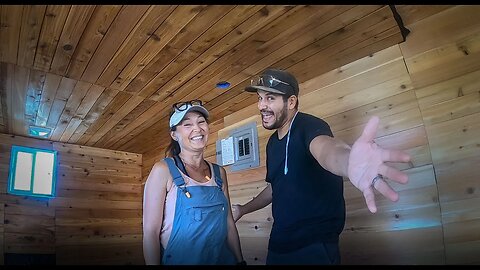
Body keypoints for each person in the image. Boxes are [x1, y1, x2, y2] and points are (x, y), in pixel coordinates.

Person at [232, 68, 411, 265]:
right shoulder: (272, 143)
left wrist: (349, 161)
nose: (261, 105)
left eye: (270, 98)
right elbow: (276, 187)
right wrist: (243, 209)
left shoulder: (309, 125)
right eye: (259, 98)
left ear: (291, 102)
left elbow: (327, 150)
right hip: (278, 246)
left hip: (314, 246)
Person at [142, 100, 245, 265]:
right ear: (174, 135)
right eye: (187, 124)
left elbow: (229, 223)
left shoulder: (219, 173)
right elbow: (150, 232)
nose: (197, 129)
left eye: (201, 122)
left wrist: (240, 261)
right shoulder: (163, 170)